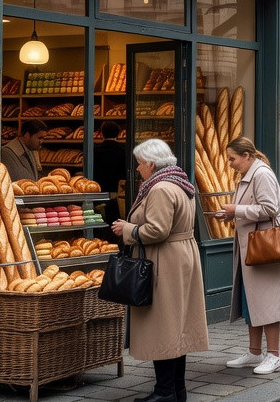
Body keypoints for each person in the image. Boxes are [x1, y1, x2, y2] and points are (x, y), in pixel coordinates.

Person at [109, 139, 207, 402]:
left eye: (140, 164)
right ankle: (177, 390)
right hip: (181, 257)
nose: (138, 169)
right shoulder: (180, 182)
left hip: (165, 260)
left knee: (163, 327)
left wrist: (126, 229)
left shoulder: (160, 188)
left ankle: (165, 392)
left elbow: (157, 230)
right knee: (178, 328)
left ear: (151, 164)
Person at [218, 137, 280, 376]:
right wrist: (230, 215)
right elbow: (254, 207)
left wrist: (237, 210)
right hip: (254, 248)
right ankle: (255, 352)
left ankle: (274, 355)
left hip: (264, 247)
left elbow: (270, 209)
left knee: (268, 302)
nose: (230, 163)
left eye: (233, 158)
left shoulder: (261, 174)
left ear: (246, 156)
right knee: (253, 301)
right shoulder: (250, 174)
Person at [92, 122, 128, 222]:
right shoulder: (124, 150)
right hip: (118, 195)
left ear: (102, 133)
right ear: (118, 134)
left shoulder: (94, 150)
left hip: (98, 193)